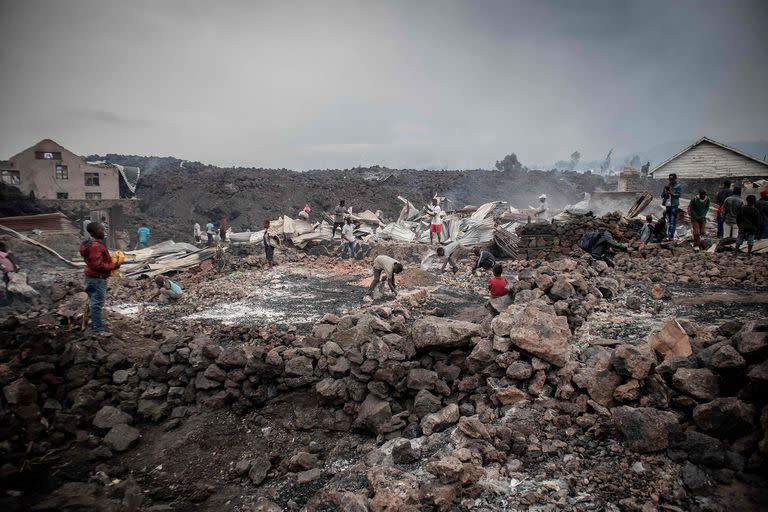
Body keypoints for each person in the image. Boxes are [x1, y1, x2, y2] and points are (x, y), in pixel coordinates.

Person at [80, 222, 120, 334]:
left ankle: (93, 326)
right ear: (96, 231)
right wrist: (113, 266)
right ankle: (97, 330)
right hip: (97, 279)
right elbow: (97, 264)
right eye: (102, 230)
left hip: (91, 277)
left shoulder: (90, 244)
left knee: (93, 302)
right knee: (97, 304)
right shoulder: (96, 246)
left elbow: (94, 261)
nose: (104, 232)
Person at [661, 173, 682, 239]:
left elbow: (678, 195)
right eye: (670, 180)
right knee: (668, 220)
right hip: (668, 205)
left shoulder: (678, 186)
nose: (671, 181)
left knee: (673, 220)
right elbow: (662, 196)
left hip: (674, 205)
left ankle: (670, 236)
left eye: (672, 179)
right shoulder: (667, 186)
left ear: (675, 179)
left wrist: (671, 193)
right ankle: (668, 234)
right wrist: (665, 193)